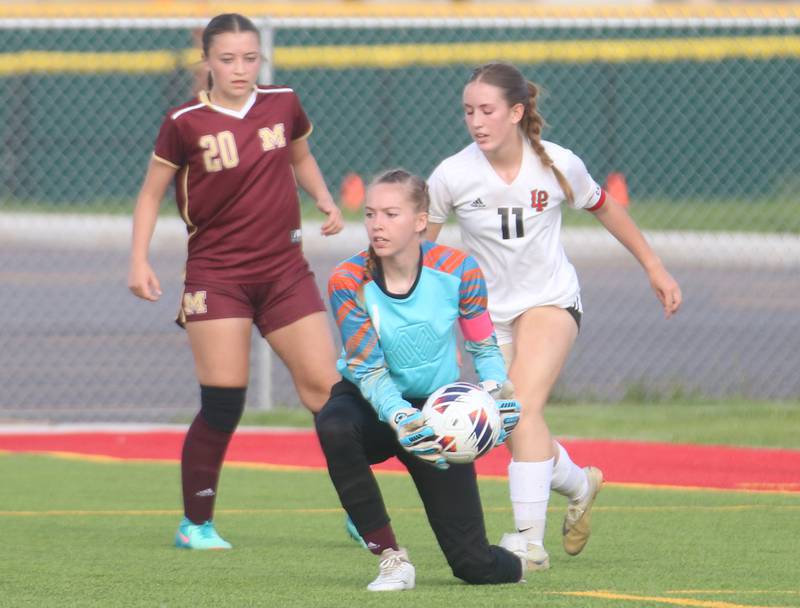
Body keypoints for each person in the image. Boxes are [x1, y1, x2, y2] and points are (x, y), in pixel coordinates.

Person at [425, 62, 683, 570]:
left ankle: (528, 541)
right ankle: (578, 482)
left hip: (550, 300)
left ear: (517, 112)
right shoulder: (451, 175)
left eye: (487, 110)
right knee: (513, 422)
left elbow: (606, 207)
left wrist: (654, 266)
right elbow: (424, 255)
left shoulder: (558, 163)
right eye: (468, 111)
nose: (476, 121)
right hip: (486, 316)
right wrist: (432, 324)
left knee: (516, 405)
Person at [127, 13, 342, 550]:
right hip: (218, 276)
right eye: (228, 59)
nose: (240, 68)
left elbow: (301, 156)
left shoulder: (284, 102)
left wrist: (324, 197)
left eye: (250, 58)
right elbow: (152, 193)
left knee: (331, 395)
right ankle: (195, 524)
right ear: (207, 61)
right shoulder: (184, 121)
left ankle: (360, 513)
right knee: (224, 401)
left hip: (286, 272)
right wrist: (139, 259)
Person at [315, 169, 523, 591]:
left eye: (391, 214)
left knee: (474, 567)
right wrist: (399, 418)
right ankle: (391, 558)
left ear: (420, 222)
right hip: (371, 405)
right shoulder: (347, 280)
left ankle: (520, 559)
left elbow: (483, 347)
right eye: (371, 213)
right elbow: (369, 370)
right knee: (334, 423)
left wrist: (497, 391)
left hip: (438, 412)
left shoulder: (460, 269)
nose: (377, 224)